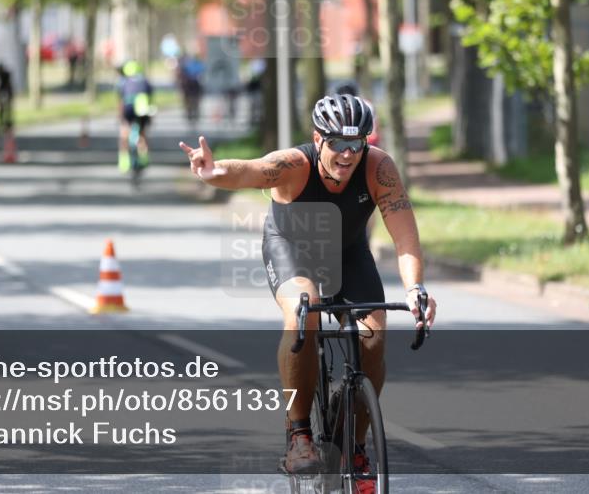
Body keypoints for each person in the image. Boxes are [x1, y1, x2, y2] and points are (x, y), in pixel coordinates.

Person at [179, 94, 437, 486]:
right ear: (319, 140)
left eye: (357, 144)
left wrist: (416, 287)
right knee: (305, 309)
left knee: (374, 334)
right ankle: (299, 434)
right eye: (338, 144)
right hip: (291, 250)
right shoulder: (295, 166)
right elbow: (252, 170)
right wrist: (214, 171)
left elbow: (404, 235)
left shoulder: (379, 168)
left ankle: (354, 444)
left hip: (347, 253)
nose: (348, 155)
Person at [117, 60, 154, 172]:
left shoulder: (123, 82)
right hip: (142, 109)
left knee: (124, 133)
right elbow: (150, 99)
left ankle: (123, 161)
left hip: (128, 108)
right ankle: (144, 157)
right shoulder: (145, 81)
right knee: (142, 133)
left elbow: (121, 101)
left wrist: (120, 117)